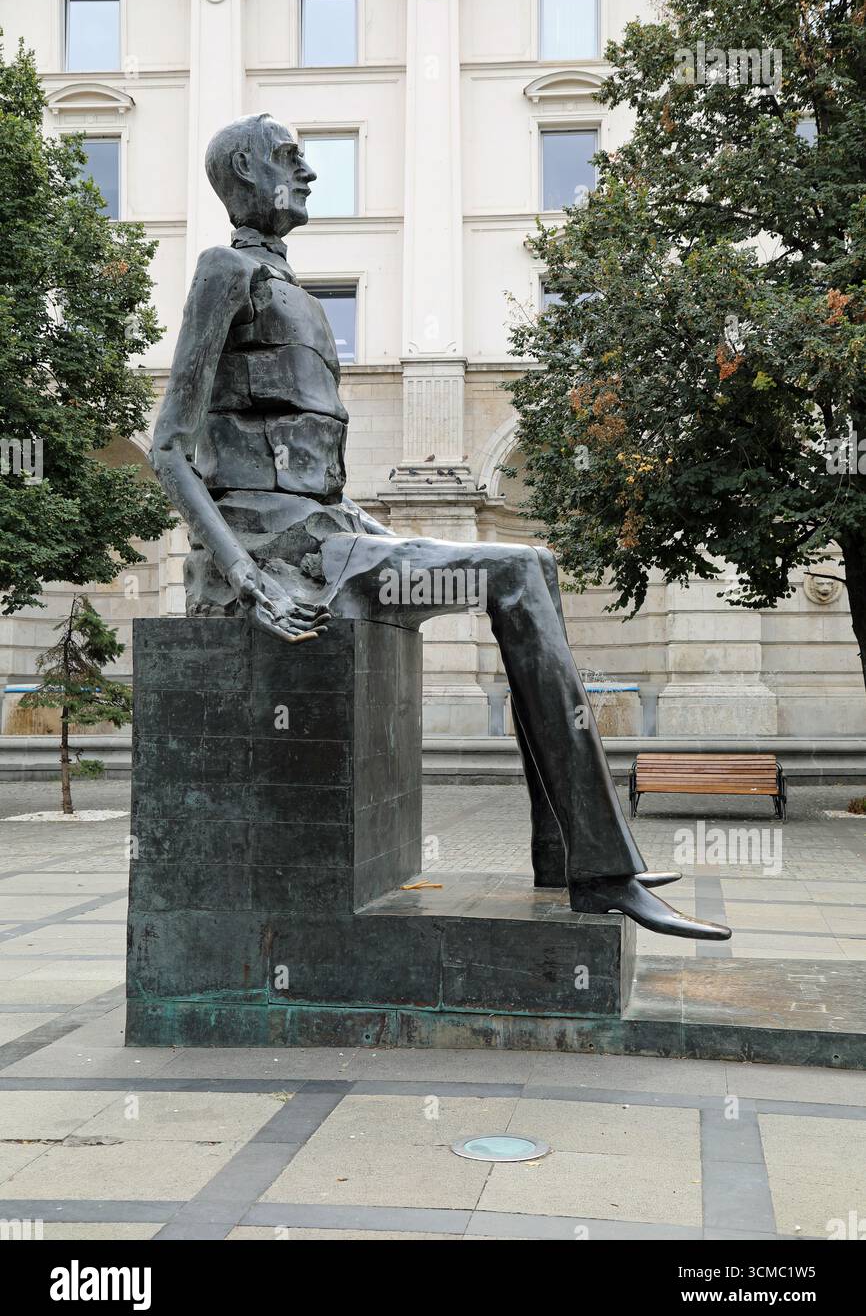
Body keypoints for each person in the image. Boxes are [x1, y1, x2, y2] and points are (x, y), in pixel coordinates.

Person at [152, 114, 730, 942]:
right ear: (245, 176)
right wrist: (249, 577)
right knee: (520, 570)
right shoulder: (223, 271)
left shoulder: (297, 296)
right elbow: (169, 448)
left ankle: (569, 853)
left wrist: (358, 525)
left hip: (329, 535)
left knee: (536, 564)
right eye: (290, 159)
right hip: (282, 555)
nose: (309, 173)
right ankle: (601, 871)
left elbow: (309, 461)